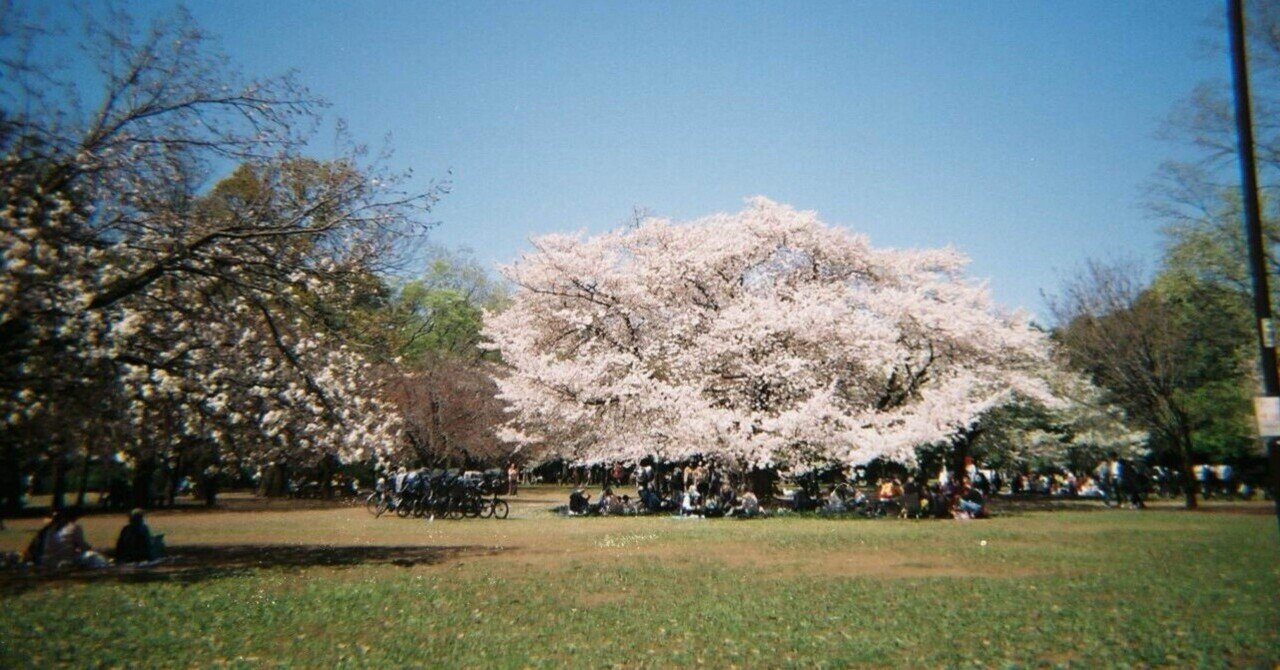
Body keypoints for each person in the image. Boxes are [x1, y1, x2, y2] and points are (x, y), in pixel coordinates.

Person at [42, 509, 108, 568]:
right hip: (67, 557)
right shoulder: (75, 527)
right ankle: (103, 566)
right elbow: (81, 545)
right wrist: (92, 549)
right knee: (94, 556)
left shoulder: (50, 529)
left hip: (50, 559)